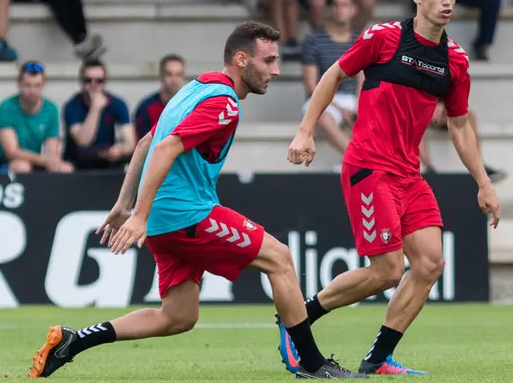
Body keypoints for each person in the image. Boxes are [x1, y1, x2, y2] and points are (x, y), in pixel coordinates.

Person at [28, 21, 365, 380]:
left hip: (164, 219)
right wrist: (137, 216)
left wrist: (125, 205)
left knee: (178, 316)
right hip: (184, 213)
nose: (276, 70)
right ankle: (314, 366)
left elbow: (145, 142)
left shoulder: (195, 87)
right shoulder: (224, 103)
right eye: (269, 61)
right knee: (279, 258)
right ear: (241, 59)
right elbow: (166, 147)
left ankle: (71, 342)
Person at [281, 0, 501, 376]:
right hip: (369, 166)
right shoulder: (383, 38)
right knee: (387, 270)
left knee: (431, 262)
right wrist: (305, 131)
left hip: (408, 174)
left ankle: (377, 360)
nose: (447, 1)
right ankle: (296, 319)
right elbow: (331, 75)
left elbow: (459, 127)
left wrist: (483, 183)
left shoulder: (454, 61)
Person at [300, 0, 362, 167]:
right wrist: (340, 109)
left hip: (353, 98)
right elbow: (312, 85)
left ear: (353, 9)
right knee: (321, 116)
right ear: (329, 9)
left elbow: (363, 80)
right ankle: (358, 161)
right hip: (323, 97)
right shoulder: (313, 40)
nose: (339, 9)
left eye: (344, 5)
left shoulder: (360, 40)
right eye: (335, 5)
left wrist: (361, 105)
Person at [0, 61, 73, 173]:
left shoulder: (51, 109)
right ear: (19, 84)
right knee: (22, 167)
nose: (32, 90)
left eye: (37, 85)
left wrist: (54, 163)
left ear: (44, 85)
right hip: (0, 163)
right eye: (28, 85)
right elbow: (12, 152)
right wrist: (45, 160)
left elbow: (52, 146)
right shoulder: (7, 107)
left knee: (65, 169)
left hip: (33, 161)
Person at [62, 59, 136, 170]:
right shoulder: (72, 106)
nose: (93, 85)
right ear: (81, 82)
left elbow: (130, 142)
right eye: (88, 80)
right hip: (79, 163)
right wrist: (95, 108)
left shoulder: (117, 103)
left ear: (105, 82)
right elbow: (83, 142)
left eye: (99, 81)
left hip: (107, 160)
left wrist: (119, 149)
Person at [133, 54, 185, 139]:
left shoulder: (190, 107)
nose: (174, 79)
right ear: (161, 76)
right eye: (169, 74)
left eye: (178, 74)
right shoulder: (147, 107)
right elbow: (141, 143)